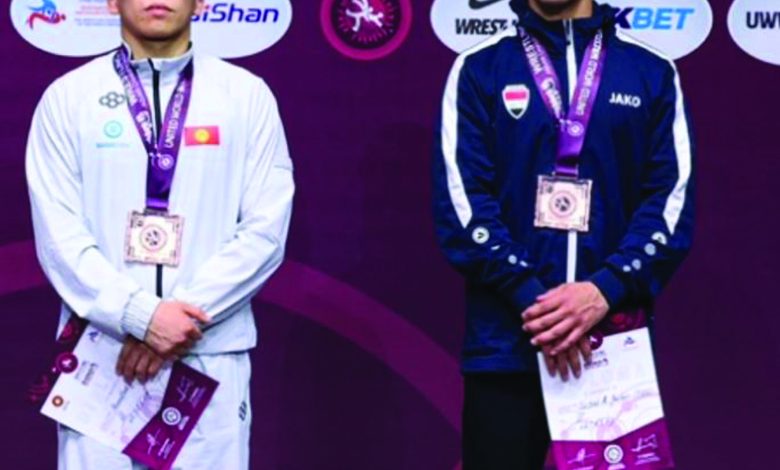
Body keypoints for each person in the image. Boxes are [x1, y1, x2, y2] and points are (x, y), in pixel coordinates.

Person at [25, 0, 294, 468]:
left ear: (202, 2)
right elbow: (59, 238)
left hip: (207, 350)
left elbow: (265, 231)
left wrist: (176, 321)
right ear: (112, 1)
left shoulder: (245, 96)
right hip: (102, 355)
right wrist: (138, 316)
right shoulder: (68, 98)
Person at [432, 0, 694, 468]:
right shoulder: (479, 68)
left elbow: (668, 204)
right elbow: (463, 206)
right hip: (507, 346)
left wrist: (602, 291)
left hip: (611, 345)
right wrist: (539, 305)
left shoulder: (651, 71)